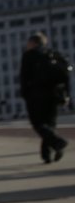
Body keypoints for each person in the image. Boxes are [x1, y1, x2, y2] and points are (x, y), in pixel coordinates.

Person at [19, 32, 71, 163]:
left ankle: (58, 142)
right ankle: (46, 155)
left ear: (33, 43)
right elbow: (66, 75)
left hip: (36, 95)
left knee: (38, 124)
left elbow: (24, 76)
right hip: (53, 94)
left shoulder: (29, 56)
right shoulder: (53, 54)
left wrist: (25, 93)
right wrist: (66, 94)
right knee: (50, 124)